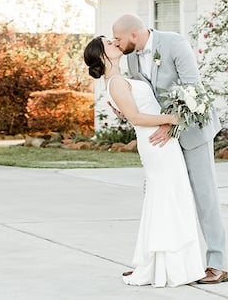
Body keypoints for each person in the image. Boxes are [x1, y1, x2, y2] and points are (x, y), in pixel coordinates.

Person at [112, 13, 228, 285]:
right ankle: (150, 265)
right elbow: (144, 97)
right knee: (157, 194)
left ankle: (218, 264)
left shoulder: (175, 44)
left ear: (134, 34)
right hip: (162, 137)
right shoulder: (131, 58)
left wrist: (170, 125)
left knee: (204, 196)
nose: (116, 44)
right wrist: (125, 111)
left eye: (118, 39)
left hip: (193, 130)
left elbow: (193, 90)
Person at [84, 35, 205, 287]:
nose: (115, 43)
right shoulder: (115, 82)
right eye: (108, 43)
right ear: (101, 56)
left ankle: (174, 264)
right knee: (166, 199)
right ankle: (165, 266)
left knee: (172, 197)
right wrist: (172, 119)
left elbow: (134, 112)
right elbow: (137, 118)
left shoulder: (119, 79)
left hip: (162, 142)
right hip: (156, 144)